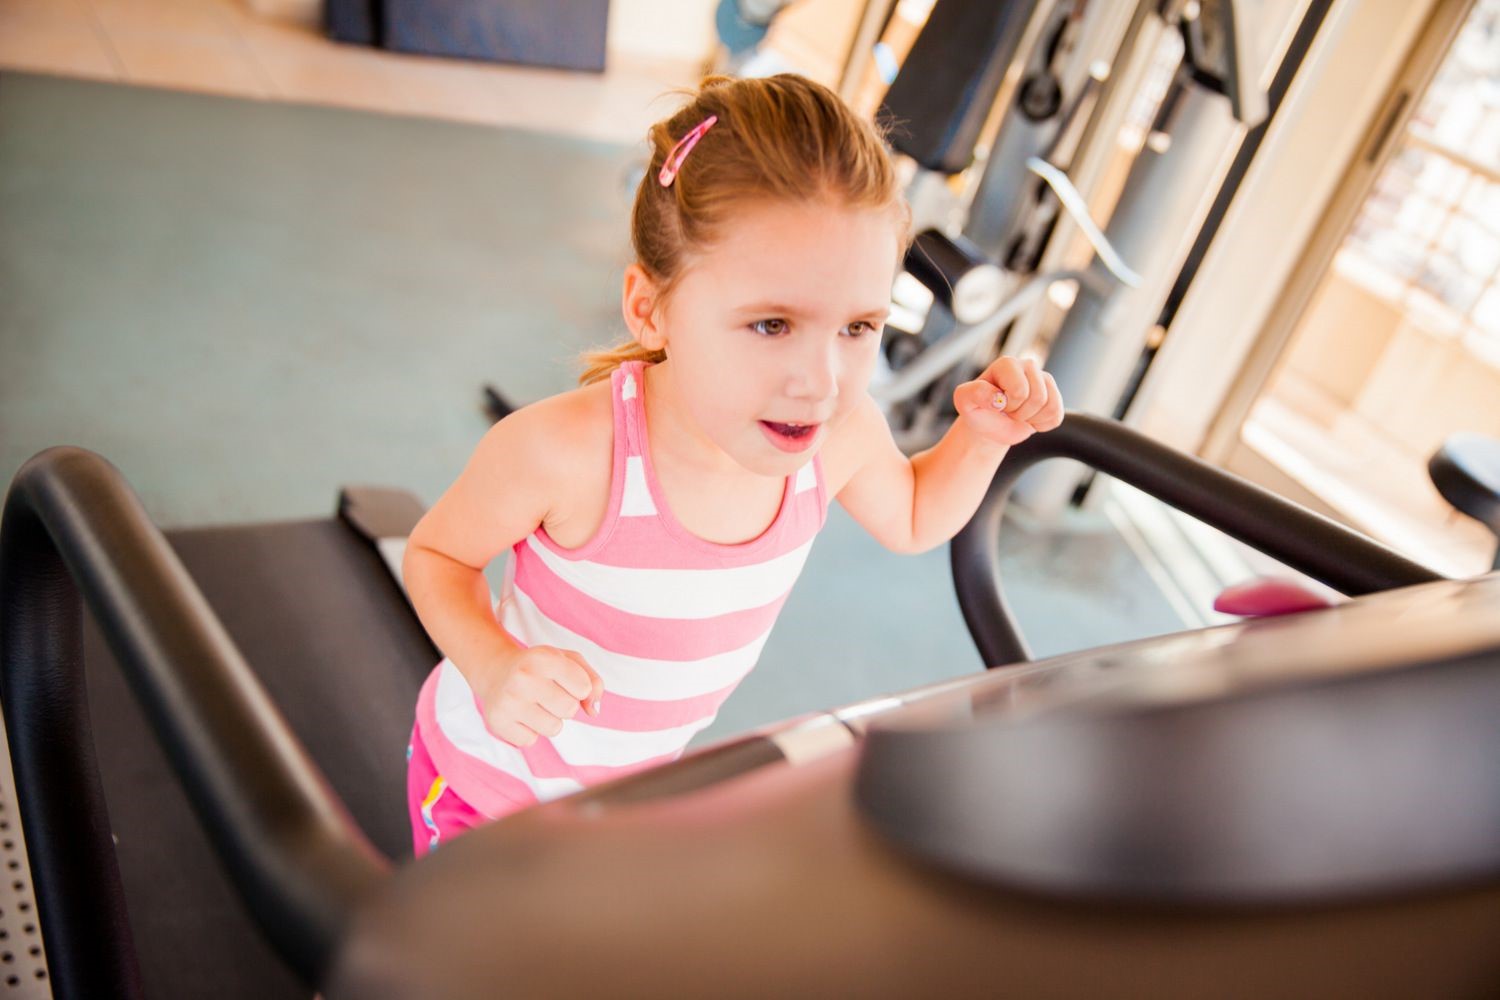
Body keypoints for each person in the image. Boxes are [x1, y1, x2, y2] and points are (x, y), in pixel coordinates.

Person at [401, 73, 1064, 856]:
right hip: (489, 787)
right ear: (651, 309)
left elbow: (917, 517)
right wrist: (490, 664)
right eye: (772, 324)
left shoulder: (840, 434)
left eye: (858, 327)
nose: (818, 381)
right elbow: (436, 555)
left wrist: (983, 437)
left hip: (634, 798)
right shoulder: (566, 451)